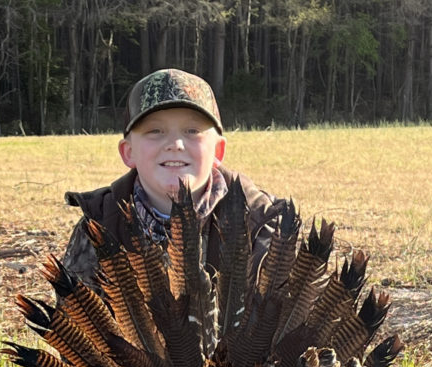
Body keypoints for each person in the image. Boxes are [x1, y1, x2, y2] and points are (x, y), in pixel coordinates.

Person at [62, 68, 284, 285]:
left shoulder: (261, 222)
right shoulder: (101, 225)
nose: (176, 144)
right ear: (128, 152)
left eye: (192, 131)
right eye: (155, 131)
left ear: (218, 151)